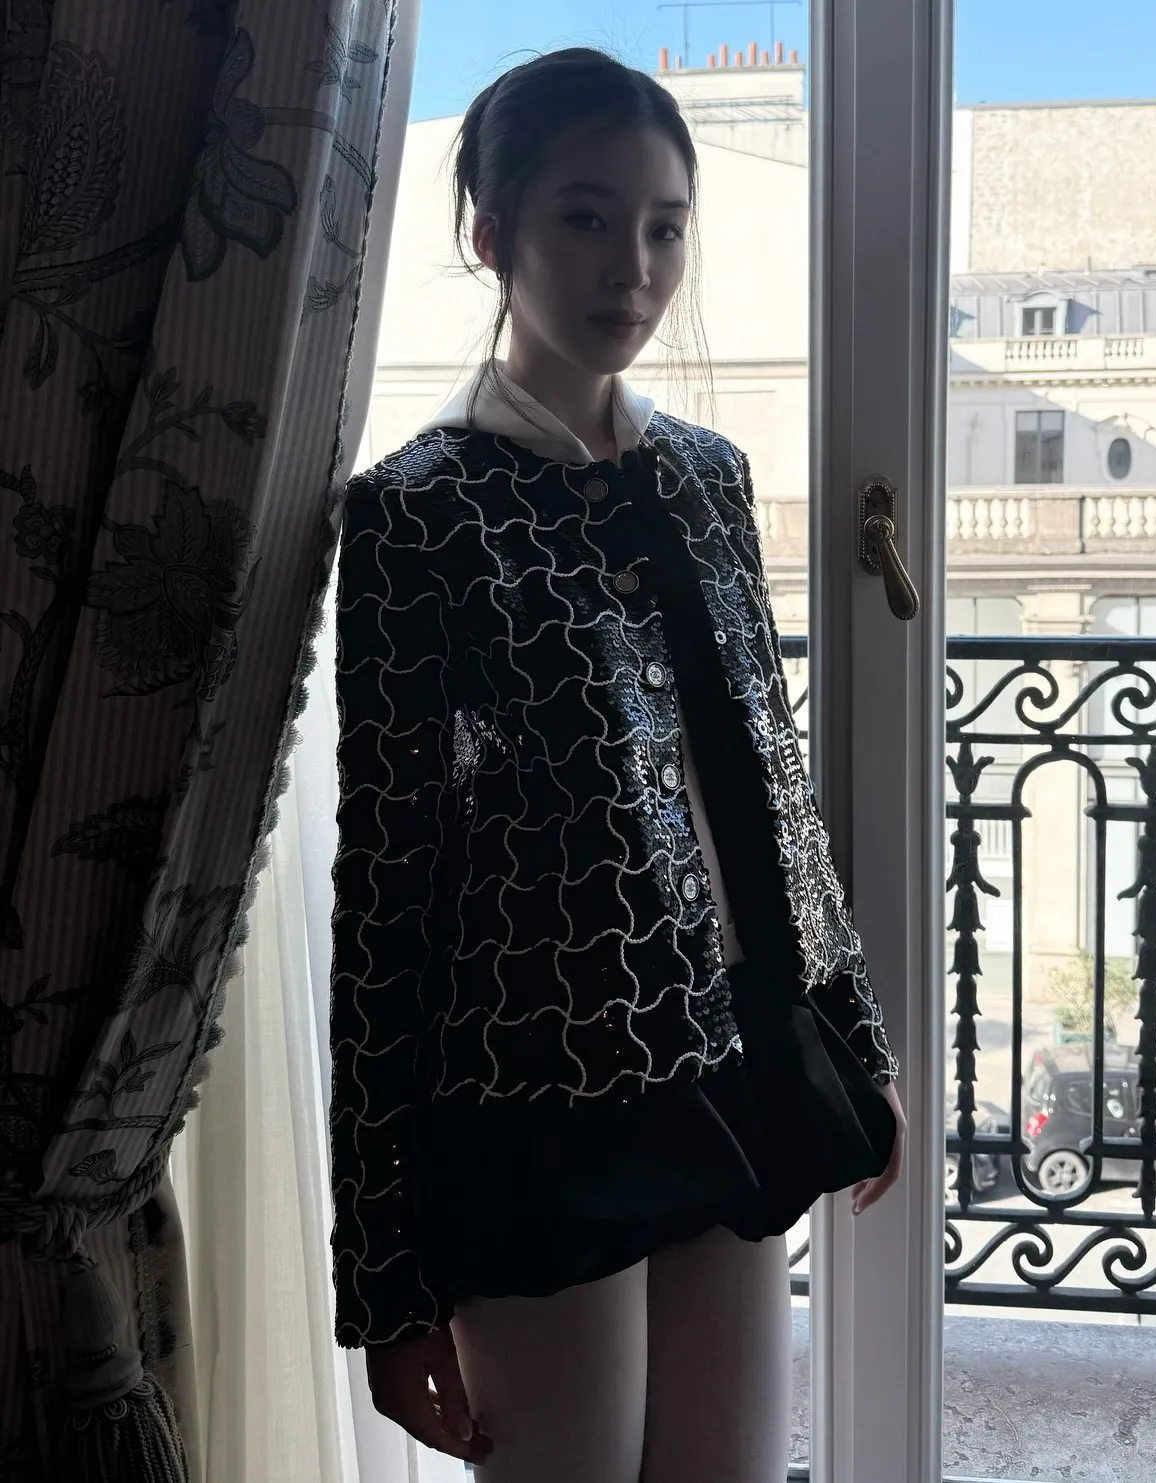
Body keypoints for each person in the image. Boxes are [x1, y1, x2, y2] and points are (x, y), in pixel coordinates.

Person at [328, 46, 905, 1482]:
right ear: (492, 234)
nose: (631, 269)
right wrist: (384, 1277)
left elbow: (769, 784)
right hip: (535, 1106)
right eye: (585, 217)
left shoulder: (708, 476)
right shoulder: (419, 514)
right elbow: (388, 892)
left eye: (662, 227)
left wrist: (854, 1040)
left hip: (736, 1063)